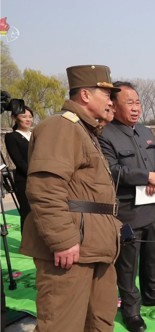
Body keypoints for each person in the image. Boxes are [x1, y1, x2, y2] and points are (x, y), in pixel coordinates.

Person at [19, 65, 123, 331]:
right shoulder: (61, 126)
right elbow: (45, 187)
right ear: (85, 95)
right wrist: (63, 240)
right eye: (106, 94)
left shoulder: (87, 131)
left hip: (96, 246)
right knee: (62, 324)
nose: (112, 101)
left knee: (98, 320)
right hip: (73, 249)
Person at [98, 81, 155, 332]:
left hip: (153, 206)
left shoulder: (145, 131)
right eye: (129, 103)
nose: (135, 108)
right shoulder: (105, 135)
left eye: (138, 102)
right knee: (127, 263)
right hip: (128, 211)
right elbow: (111, 170)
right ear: (113, 105)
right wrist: (147, 177)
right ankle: (131, 310)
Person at [4, 106, 34, 233]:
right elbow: (19, 161)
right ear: (15, 118)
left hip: (41, 179)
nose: (28, 119)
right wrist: (33, 173)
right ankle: (27, 244)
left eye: (30, 116)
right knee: (27, 212)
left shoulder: (35, 134)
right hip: (24, 179)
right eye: (24, 116)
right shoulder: (12, 136)